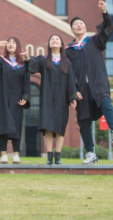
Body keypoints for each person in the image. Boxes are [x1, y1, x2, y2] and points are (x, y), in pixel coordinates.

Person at [65, 0, 113, 163]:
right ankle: (90, 153)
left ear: (85, 28)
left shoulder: (95, 41)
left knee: (106, 103)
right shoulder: (68, 51)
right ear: (71, 29)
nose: (79, 25)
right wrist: (72, 91)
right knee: (83, 120)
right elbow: (67, 74)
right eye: (75, 24)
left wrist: (104, 12)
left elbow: (108, 28)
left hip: (98, 83)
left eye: (81, 24)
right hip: (81, 90)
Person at [28, 34, 78, 166]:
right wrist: (27, 58)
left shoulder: (67, 63)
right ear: (49, 44)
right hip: (47, 97)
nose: (54, 41)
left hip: (62, 98)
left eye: (57, 39)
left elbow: (71, 81)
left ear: (61, 45)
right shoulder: (44, 60)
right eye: (52, 40)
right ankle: (49, 155)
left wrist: (72, 97)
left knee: (60, 126)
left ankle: (58, 155)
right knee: (47, 126)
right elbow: (32, 66)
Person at [0, 37, 30, 164]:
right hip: (2, 98)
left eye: (14, 43)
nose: (11, 45)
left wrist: (25, 98)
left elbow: (27, 82)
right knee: (2, 125)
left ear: (18, 46)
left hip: (17, 99)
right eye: (9, 43)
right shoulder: (0, 60)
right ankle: (3, 155)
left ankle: (16, 154)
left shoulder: (23, 64)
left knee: (16, 125)